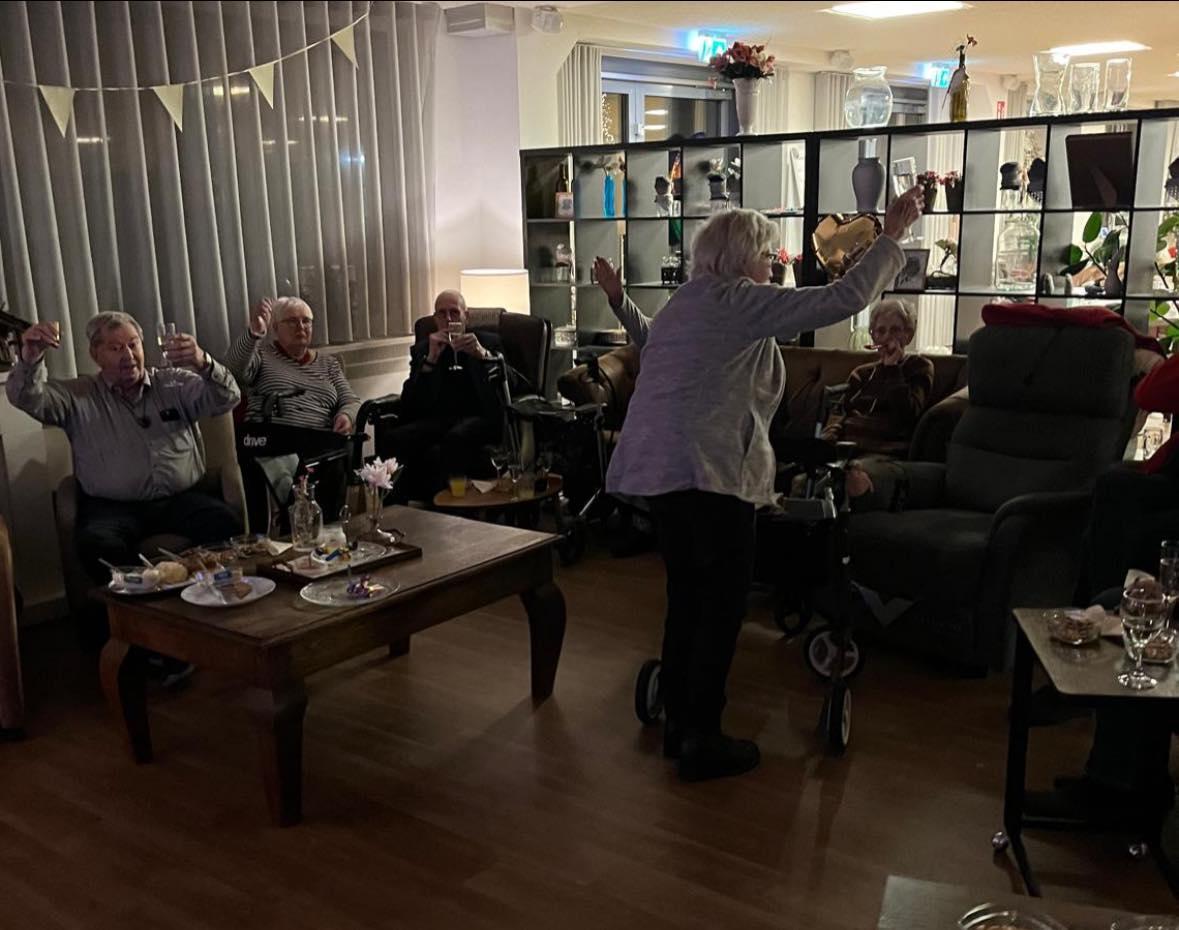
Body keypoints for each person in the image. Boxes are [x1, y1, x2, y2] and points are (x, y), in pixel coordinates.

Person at [600, 188, 924, 782]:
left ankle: (680, 726)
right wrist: (892, 237)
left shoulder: (687, 301)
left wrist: (620, 301)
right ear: (741, 258)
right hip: (707, 471)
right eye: (768, 255)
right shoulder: (739, 299)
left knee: (687, 597)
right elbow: (844, 298)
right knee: (721, 605)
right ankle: (702, 739)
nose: (774, 265)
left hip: (661, 471)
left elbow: (650, 341)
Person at [8, 312, 242, 652]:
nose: (128, 355)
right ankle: (143, 638)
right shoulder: (77, 395)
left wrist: (203, 362)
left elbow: (228, 397)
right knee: (98, 546)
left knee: (225, 524)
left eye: (133, 345)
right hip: (112, 508)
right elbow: (27, 397)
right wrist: (30, 359)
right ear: (96, 354)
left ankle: (217, 625)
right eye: (116, 348)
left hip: (179, 500)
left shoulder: (173, 383)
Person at [225, 297, 361, 529]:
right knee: (317, 461)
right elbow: (232, 371)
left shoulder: (328, 364)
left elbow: (351, 400)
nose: (301, 327)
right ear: (275, 328)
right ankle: (299, 531)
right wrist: (253, 333)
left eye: (306, 321)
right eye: (292, 321)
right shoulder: (262, 356)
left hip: (318, 441)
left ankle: (326, 532)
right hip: (273, 437)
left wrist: (346, 415)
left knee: (337, 457)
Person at [383, 290, 510, 503]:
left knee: (454, 439)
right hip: (440, 419)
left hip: (479, 416)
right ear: (435, 319)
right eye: (442, 314)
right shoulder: (424, 349)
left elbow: (514, 382)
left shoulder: (488, 342)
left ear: (466, 316)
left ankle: (446, 509)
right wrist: (430, 360)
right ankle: (396, 509)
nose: (449, 319)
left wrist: (484, 355)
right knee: (393, 438)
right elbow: (409, 402)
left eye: (454, 312)